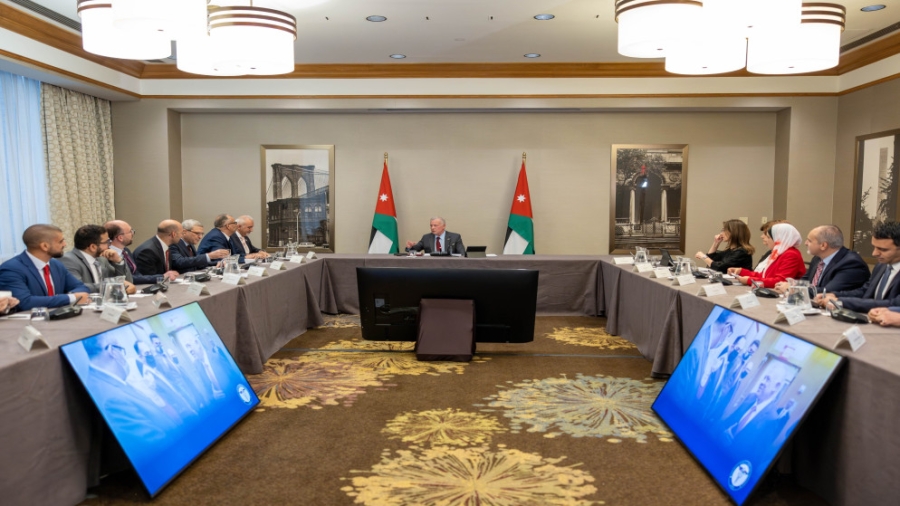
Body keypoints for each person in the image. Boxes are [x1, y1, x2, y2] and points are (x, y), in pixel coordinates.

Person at [84, 332, 179, 442]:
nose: (124, 357)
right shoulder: (111, 398)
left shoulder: (109, 382)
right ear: (112, 351)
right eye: (121, 349)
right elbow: (153, 441)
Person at [0, 224, 90, 310]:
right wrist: (71, 298)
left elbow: (81, 287)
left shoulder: (56, 264)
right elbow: (24, 302)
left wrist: (75, 295)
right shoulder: (11, 269)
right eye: (61, 241)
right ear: (45, 246)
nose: (64, 244)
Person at [817, 221, 900, 312]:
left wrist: (841, 302)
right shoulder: (881, 266)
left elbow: (894, 304)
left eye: (883, 250)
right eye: (874, 247)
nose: (874, 253)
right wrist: (835, 295)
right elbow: (865, 291)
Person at [774, 225, 869, 295]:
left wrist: (792, 289)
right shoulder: (817, 258)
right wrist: (790, 284)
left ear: (823, 245)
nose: (806, 243)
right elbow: (806, 280)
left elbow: (827, 292)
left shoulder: (851, 264)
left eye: (809, 241)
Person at [60, 224, 135, 294]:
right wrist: (111, 286)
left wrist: (118, 262)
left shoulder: (101, 259)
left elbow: (128, 284)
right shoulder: (68, 260)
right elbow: (77, 287)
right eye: (107, 242)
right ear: (93, 247)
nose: (109, 245)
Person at [728, 223, 806, 288]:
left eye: (769, 237)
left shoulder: (791, 255)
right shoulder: (779, 253)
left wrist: (749, 280)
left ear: (778, 239)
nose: (766, 240)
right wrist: (741, 271)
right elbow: (764, 276)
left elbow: (780, 281)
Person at [104, 220, 158, 285]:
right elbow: (124, 278)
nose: (133, 233)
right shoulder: (107, 255)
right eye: (130, 231)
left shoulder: (126, 250)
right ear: (120, 238)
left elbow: (136, 273)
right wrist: (159, 277)